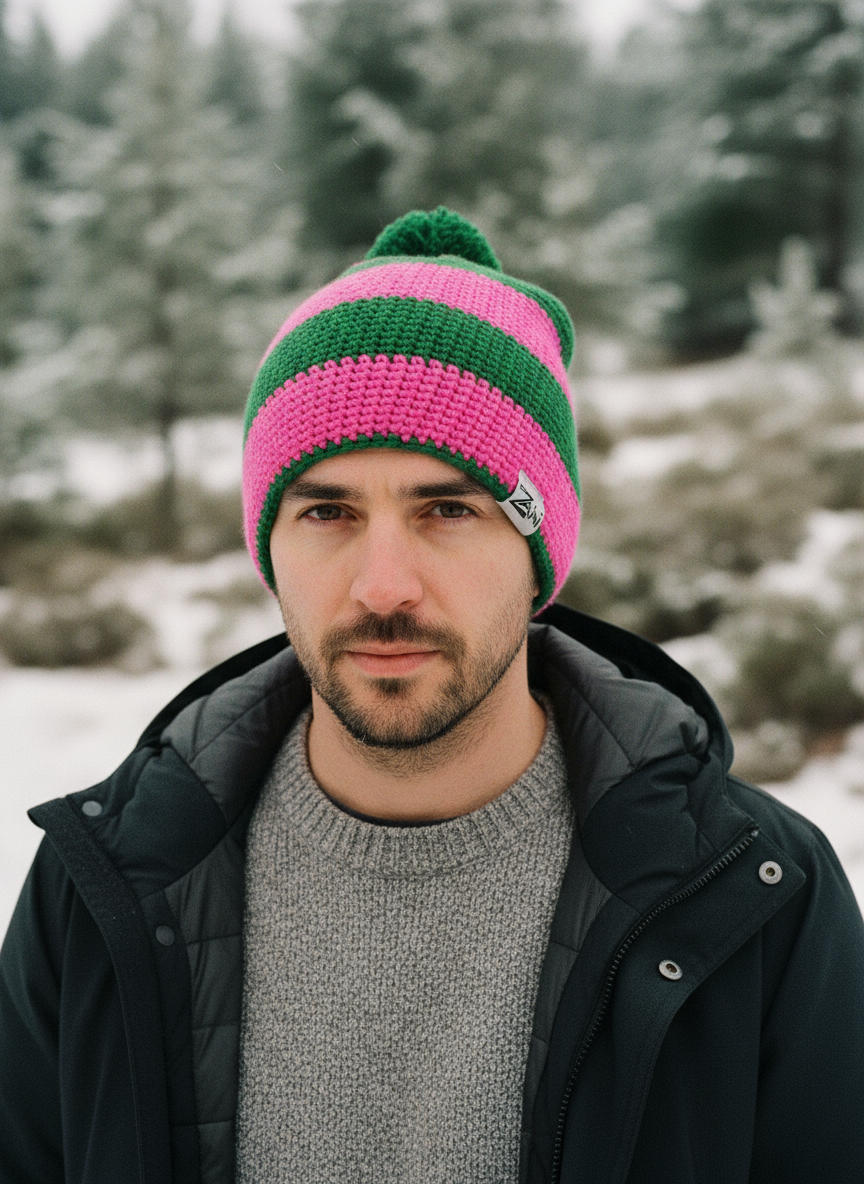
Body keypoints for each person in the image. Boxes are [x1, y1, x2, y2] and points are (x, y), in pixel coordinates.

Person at [1, 207, 863, 1184]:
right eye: (326, 509)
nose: (383, 585)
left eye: (448, 507)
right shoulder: (101, 888)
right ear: (269, 551)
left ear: (538, 556)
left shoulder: (757, 899)